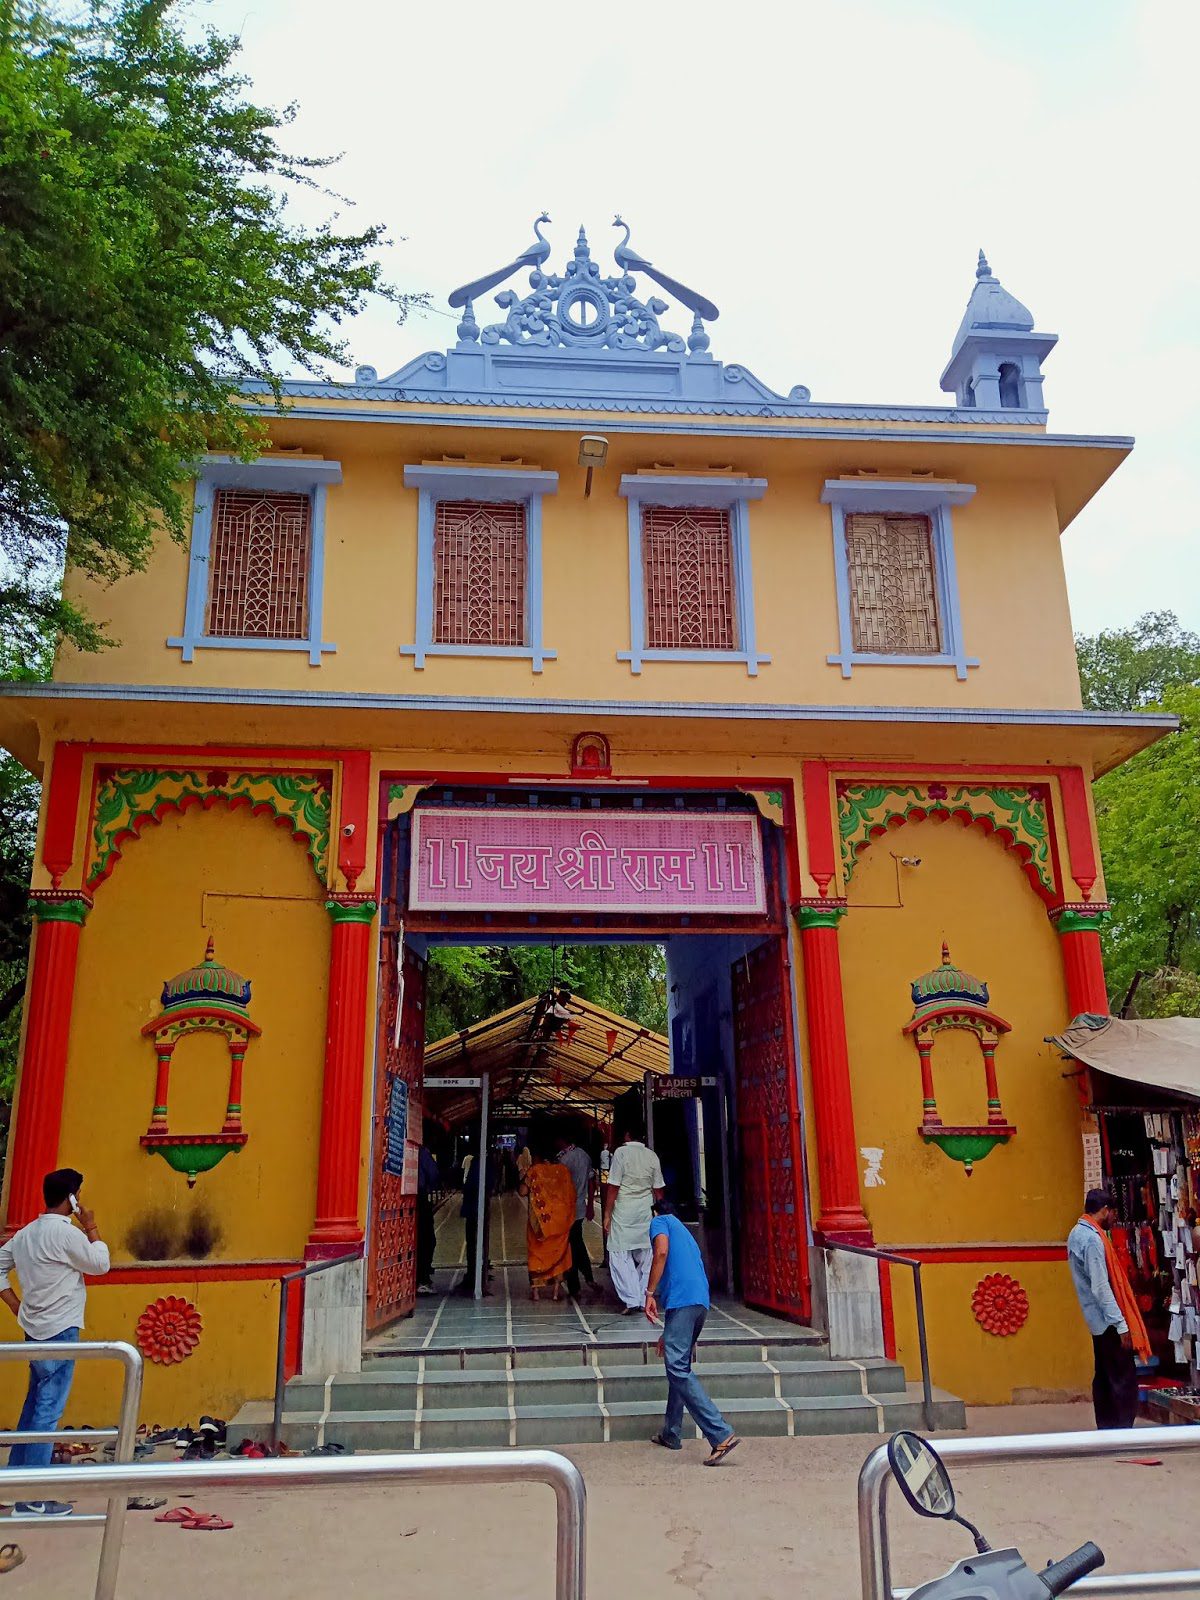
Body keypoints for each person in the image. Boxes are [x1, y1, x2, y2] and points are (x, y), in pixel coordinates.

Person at [0, 1168, 110, 1517]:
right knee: (47, 1411)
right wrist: (90, 1227)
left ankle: (14, 1484)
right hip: (61, 1330)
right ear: (72, 1198)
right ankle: (33, 1496)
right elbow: (100, 1264)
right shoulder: (67, 1235)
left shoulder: (26, 1235)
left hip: (33, 1328)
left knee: (34, 1405)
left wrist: (15, 1305)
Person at [645, 1199, 740, 1465]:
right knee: (680, 1365)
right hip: (699, 1302)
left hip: (683, 1302)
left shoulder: (659, 1222)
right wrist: (669, 1333)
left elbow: (661, 1252)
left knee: (677, 1368)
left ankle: (720, 1433)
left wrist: (649, 1293)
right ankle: (671, 1432)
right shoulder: (685, 1233)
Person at [1067, 1187, 1150, 1430]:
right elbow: (1101, 1287)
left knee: (1104, 1375)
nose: (1114, 1218)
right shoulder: (1093, 1239)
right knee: (1122, 1379)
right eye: (1113, 1213)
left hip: (1095, 1319)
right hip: (1107, 1321)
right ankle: (1120, 1429)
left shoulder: (1076, 1233)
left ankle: (1107, 1428)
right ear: (1104, 1210)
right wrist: (1121, 1324)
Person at [603, 1122, 664, 1313]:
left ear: (627, 1135)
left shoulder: (621, 1153)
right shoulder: (651, 1156)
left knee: (619, 1254)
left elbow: (613, 1186)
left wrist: (607, 1213)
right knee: (647, 1254)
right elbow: (659, 1190)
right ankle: (640, 1295)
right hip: (645, 1210)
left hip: (624, 1210)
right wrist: (661, 1214)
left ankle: (631, 1299)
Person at [520, 1142, 577, 1301]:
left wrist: (525, 1176)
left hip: (539, 1224)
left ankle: (536, 1292)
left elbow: (523, 1192)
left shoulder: (534, 1171)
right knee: (558, 1253)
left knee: (536, 1254)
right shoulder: (564, 1171)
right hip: (560, 1223)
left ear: (537, 1156)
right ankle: (555, 1292)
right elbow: (572, 1195)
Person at [556, 1130, 596, 1299]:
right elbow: (591, 1181)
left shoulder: (563, 1159)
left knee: (570, 1246)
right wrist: (591, 1205)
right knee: (577, 1242)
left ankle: (575, 1285)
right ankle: (588, 1276)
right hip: (580, 1207)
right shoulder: (585, 1155)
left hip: (566, 1209)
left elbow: (557, 1186)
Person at [459, 1142, 496, 1296]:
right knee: (477, 1241)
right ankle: (477, 1275)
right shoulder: (485, 1164)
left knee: (474, 1242)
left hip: (474, 1208)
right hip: (479, 1208)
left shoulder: (478, 1164)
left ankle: (475, 1275)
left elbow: (471, 1185)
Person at [416, 1142, 440, 1295]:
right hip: (419, 1198)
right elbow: (433, 1174)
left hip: (399, 1200)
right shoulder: (422, 1152)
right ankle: (422, 1279)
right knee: (426, 1240)